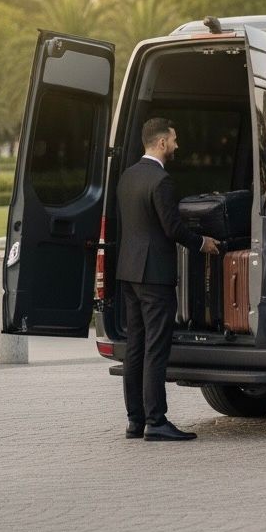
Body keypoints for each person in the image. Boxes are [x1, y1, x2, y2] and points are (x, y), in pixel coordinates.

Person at [116, 117, 221, 441]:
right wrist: (203, 243)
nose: (177, 146)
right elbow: (171, 228)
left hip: (129, 272)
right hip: (154, 276)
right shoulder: (161, 181)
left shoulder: (128, 176)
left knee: (135, 346)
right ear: (161, 143)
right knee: (156, 349)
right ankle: (156, 422)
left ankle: (135, 421)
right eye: (174, 140)